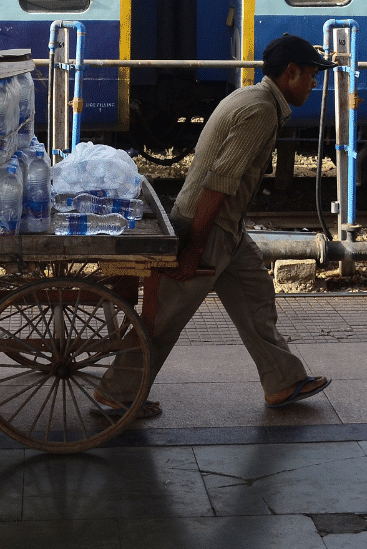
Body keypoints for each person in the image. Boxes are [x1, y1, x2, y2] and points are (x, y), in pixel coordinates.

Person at [94, 34, 334, 419]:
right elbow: (219, 182)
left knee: (255, 294)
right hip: (207, 227)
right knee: (166, 318)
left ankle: (283, 381)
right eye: (310, 75)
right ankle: (117, 392)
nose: (314, 83)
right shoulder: (261, 110)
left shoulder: (250, 96)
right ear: (291, 73)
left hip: (227, 228)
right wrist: (192, 250)